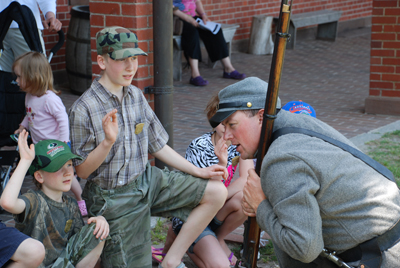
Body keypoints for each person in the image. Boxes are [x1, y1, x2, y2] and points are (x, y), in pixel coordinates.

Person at [68, 26, 228, 268]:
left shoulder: (135, 94)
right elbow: (82, 172)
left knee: (216, 192)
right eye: (122, 59)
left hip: (147, 180)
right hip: (113, 199)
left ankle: (171, 260)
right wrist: (107, 142)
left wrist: (198, 172)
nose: (131, 67)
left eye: (134, 58)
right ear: (101, 61)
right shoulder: (83, 108)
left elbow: (158, 145)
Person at [209, 77, 400, 268]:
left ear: (260, 116)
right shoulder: (298, 122)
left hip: (380, 258)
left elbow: (304, 249)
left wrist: (261, 207)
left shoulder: (281, 159)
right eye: (224, 127)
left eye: (232, 124)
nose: (226, 136)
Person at [159, 93, 254, 267]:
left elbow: (247, 180)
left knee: (244, 197)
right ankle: (186, 238)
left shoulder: (238, 142)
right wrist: (222, 163)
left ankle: (216, 239)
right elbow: (200, 194)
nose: (225, 127)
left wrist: (219, 199)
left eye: (230, 122)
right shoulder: (200, 146)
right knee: (220, 265)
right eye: (220, 121)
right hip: (193, 214)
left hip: (214, 209)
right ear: (212, 119)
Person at [0, 130, 109, 268]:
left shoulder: (71, 204)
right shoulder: (33, 200)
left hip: (62, 263)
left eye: (69, 164)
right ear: (39, 176)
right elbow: (7, 202)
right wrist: (25, 161)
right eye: (58, 167)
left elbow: (80, 242)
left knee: (98, 230)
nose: (68, 172)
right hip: (36, 263)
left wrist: (100, 221)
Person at [12, 51, 87, 216]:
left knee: (66, 175)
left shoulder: (50, 99)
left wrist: (63, 143)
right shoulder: (29, 96)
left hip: (55, 148)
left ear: (33, 76)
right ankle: (49, 203)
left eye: (19, 76)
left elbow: (62, 119)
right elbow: (30, 114)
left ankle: (80, 198)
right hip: (40, 147)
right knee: (44, 175)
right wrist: (23, 126)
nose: (16, 80)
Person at [173, 0, 245, 86]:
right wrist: (188, 19)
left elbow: (197, 1)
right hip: (177, 20)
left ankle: (228, 69)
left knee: (215, 31)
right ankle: (195, 75)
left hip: (192, 18)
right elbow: (170, 7)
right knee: (192, 33)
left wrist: (203, 15)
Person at [0, 0, 62, 72]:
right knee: (9, 78)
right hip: (12, 26)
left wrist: (50, 16)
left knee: (34, 74)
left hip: (21, 26)